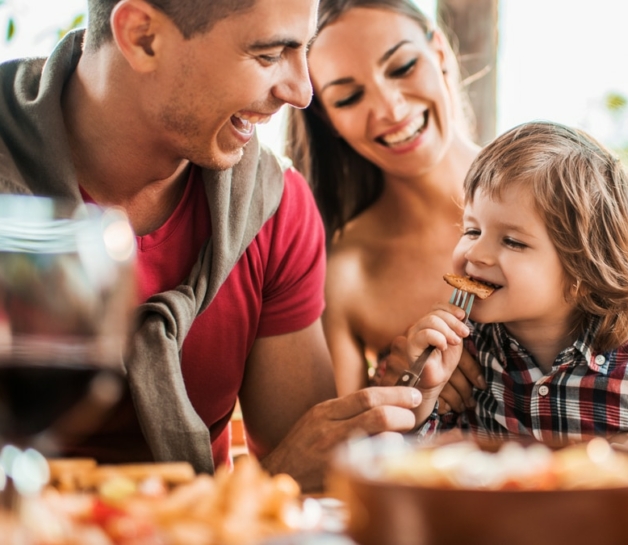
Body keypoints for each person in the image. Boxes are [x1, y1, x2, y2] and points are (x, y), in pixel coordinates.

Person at [289, 0, 628, 407]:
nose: (389, 108)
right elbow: (339, 455)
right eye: (349, 97)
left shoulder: (571, 192)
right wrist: (403, 386)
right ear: (327, 117)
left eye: (401, 67)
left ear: (440, 52)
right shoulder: (348, 270)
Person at [0, 0, 423, 492]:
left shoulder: (275, 210)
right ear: (142, 37)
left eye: (302, 49)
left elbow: (308, 469)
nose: (302, 92)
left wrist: (408, 401)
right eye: (269, 54)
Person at [401, 121, 628, 438]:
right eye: (472, 230)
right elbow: (415, 466)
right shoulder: (462, 357)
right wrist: (422, 396)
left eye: (513, 241)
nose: (475, 253)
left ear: (583, 273)